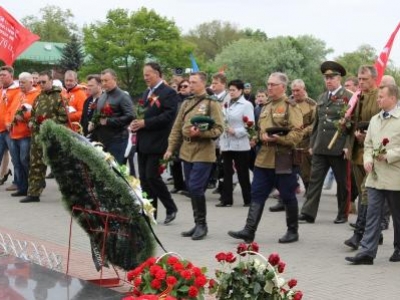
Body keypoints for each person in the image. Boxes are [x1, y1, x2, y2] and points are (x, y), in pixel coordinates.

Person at [228, 72, 303, 244]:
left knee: (287, 195)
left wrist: (280, 139)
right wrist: (259, 137)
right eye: (268, 84)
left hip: (283, 158)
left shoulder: (290, 106)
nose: (269, 87)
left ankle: (293, 231)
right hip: (263, 158)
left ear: (283, 87)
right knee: (257, 194)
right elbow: (260, 129)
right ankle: (249, 230)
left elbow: (298, 134)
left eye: (273, 85)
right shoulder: (266, 105)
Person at [164, 71, 224, 240]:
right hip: (186, 150)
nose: (190, 85)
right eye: (189, 82)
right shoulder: (186, 102)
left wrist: (202, 134)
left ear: (203, 84)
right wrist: (170, 147)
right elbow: (177, 127)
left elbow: (219, 129)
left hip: (204, 151)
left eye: (194, 82)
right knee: (191, 188)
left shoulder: (212, 103)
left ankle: (202, 225)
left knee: (197, 188)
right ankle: (197, 223)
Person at [346, 84, 400, 265]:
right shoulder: (375, 120)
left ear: (392, 98)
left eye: (381, 97)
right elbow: (368, 144)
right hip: (375, 176)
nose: (378, 100)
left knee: (397, 216)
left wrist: (389, 156)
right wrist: (367, 159)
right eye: (378, 97)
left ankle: (399, 248)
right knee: (372, 214)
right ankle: (367, 253)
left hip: (395, 177)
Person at [299, 61, 353, 224]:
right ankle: (308, 212)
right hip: (321, 147)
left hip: (338, 148)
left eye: (332, 77)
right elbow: (317, 124)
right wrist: (312, 145)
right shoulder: (322, 98)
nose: (328, 80)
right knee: (315, 180)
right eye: (326, 78)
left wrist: (347, 146)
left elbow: (351, 125)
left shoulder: (349, 97)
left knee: (342, 183)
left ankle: (342, 213)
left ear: (339, 79)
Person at [130, 62, 178, 225]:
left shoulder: (168, 92)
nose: (145, 78)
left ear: (157, 74)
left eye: (148, 74)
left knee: (153, 176)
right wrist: (136, 123)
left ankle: (171, 207)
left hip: (158, 141)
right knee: (144, 179)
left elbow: (168, 116)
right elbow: (141, 113)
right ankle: (151, 212)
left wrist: (146, 123)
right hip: (143, 141)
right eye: (144, 75)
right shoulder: (146, 93)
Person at [344, 65, 381, 250]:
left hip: (372, 152)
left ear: (374, 79)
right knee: (362, 191)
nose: (360, 82)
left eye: (364, 79)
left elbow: (380, 123)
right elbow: (352, 123)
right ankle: (374, 232)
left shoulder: (378, 97)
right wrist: (346, 125)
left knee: (367, 193)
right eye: (359, 79)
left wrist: (367, 135)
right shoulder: (357, 97)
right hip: (357, 151)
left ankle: (360, 234)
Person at [19, 70, 69, 203]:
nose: (40, 84)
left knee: (59, 167)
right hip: (37, 136)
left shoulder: (60, 97)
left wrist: (48, 123)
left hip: (52, 137)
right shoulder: (39, 97)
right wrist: (32, 121)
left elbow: (64, 118)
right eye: (39, 82)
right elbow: (34, 114)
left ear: (51, 81)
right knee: (35, 165)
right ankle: (33, 193)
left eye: (43, 82)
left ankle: (69, 194)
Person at [269, 79, 316, 212]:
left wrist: (304, 131)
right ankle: (282, 200)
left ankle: (310, 202)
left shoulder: (312, 105)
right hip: (288, 143)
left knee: (306, 173)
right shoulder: (287, 103)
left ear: (304, 89)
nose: (295, 93)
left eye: (298, 90)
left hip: (304, 143)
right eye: (293, 90)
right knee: (284, 173)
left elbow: (315, 124)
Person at [216, 79, 254, 207]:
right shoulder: (226, 104)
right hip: (227, 143)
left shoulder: (246, 105)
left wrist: (236, 131)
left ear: (240, 90)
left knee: (242, 172)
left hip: (240, 144)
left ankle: (248, 199)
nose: (231, 92)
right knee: (226, 172)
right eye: (229, 90)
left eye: (233, 90)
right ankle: (226, 199)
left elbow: (250, 125)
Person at [6, 72, 40, 197]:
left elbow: (38, 114)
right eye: (19, 82)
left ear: (31, 82)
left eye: (23, 82)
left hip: (26, 134)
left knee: (25, 161)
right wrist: (8, 121)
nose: (21, 85)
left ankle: (33, 186)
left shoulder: (37, 95)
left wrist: (25, 116)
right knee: (17, 162)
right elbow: (9, 111)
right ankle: (22, 187)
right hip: (13, 134)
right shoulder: (18, 94)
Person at [91, 68, 134, 165]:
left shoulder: (123, 96)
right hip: (103, 140)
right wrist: (93, 122)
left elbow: (130, 115)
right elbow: (97, 113)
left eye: (106, 80)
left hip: (117, 140)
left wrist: (109, 121)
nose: (104, 83)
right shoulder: (102, 96)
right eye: (102, 81)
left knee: (115, 172)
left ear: (115, 79)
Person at [0, 66, 20, 191]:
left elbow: (14, 109)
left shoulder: (17, 91)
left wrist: (9, 122)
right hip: (0, 129)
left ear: (11, 76)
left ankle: (17, 182)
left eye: (4, 75)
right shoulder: (1, 90)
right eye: (0, 75)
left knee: (15, 158)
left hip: (10, 130)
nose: (1, 77)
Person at [169, 79, 191, 194]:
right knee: (174, 161)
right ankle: (178, 184)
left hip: (188, 133)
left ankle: (189, 186)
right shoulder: (175, 100)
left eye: (185, 86)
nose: (182, 88)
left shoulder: (192, 100)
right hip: (176, 132)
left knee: (187, 161)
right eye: (180, 86)